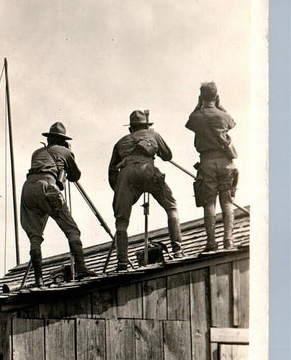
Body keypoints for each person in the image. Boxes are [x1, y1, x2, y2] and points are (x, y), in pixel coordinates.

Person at [20, 122, 97, 286]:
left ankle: (38, 279)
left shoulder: (36, 153)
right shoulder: (65, 151)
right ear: (62, 140)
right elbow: (75, 176)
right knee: (72, 230)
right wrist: (69, 154)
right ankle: (81, 268)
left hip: (28, 188)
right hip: (48, 186)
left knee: (35, 236)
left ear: (49, 139)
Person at [108, 110, 183, 271]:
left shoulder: (120, 142)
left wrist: (121, 192)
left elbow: (112, 172)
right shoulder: (153, 134)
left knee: (121, 221)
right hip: (149, 170)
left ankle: (122, 262)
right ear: (146, 126)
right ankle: (177, 250)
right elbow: (168, 155)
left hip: (126, 175)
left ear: (130, 129)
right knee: (171, 207)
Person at [185, 82, 238, 251]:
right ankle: (228, 240)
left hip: (206, 162)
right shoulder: (223, 115)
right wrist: (219, 106)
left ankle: (211, 243)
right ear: (216, 96)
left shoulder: (197, 116)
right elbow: (232, 122)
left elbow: (189, 123)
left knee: (209, 204)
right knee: (227, 203)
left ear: (201, 97)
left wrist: (199, 105)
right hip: (226, 162)